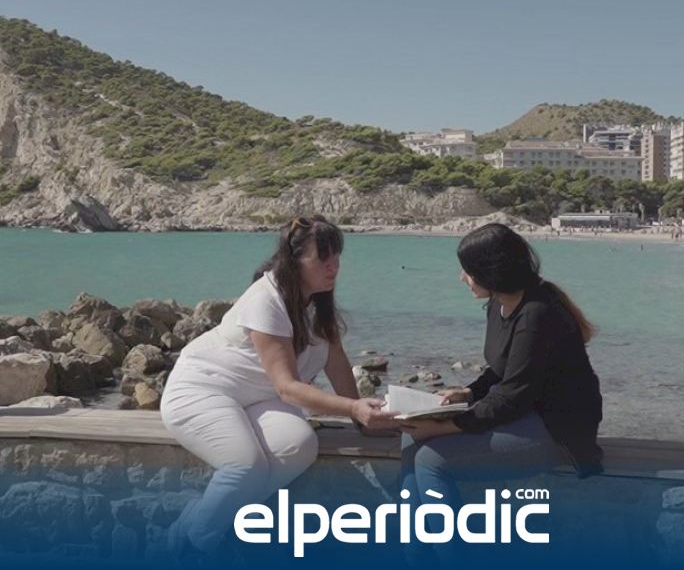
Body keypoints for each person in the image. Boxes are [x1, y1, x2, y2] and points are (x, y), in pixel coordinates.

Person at [160, 215, 397, 561]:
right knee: (245, 465)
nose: (333, 266)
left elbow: (336, 362)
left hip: (257, 397)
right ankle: (196, 541)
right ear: (294, 260)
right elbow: (287, 388)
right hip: (203, 389)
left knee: (298, 445)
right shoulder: (266, 299)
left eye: (337, 256)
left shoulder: (317, 301)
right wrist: (351, 409)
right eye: (323, 257)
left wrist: (362, 418)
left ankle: (205, 517)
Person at [398, 223, 604, 560]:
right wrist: (468, 393)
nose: (462, 278)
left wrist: (446, 426)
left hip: (557, 429)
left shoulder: (538, 313)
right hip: (524, 412)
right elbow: (502, 368)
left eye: (468, 271)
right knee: (410, 441)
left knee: (430, 460)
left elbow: (512, 396)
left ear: (491, 272)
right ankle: (416, 558)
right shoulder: (500, 303)